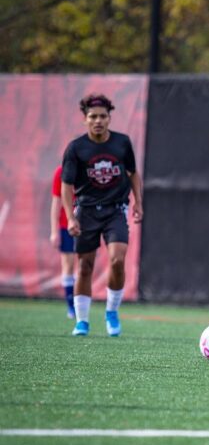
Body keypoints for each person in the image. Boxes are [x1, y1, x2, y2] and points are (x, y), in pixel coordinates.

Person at [61, 93, 143, 337]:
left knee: (117, 260)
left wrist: (138, 202)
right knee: (84, 266)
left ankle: (111, 311)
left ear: (109, 118)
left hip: (115, 210)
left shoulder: (122, 143)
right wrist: (71, 217)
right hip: (86, 211)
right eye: (93, 116)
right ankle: (82, 321)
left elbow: (133, 173)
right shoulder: (76, 148)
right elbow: (67, 186)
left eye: (103, 116)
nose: (98, 121)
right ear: (85, 119)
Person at [50, 165, 76, 319]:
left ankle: (80, 303)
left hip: (86, 224)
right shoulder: (61, 172)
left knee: (85, 263)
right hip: (66, 225)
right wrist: (54, 231)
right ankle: (71, 306)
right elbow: (56, 202)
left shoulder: (88, 170)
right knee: (68, 264)